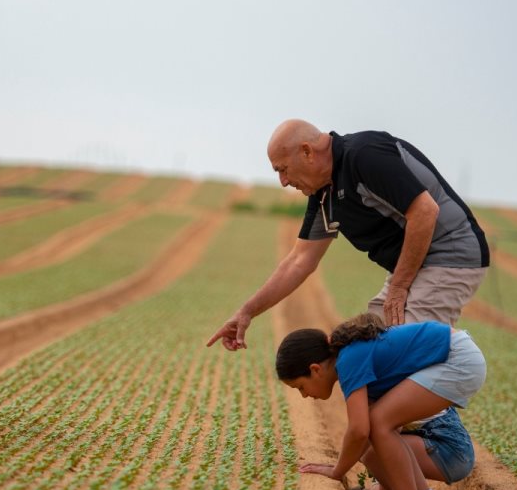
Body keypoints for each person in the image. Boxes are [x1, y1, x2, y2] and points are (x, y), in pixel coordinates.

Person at [209, 119, 489, 350]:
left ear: (307, 151)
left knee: (404, 352)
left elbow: (425, 212)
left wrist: (399, 288)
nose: (283, 181)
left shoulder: (363, 155)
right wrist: (247, 311)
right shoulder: (323, 193)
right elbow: (300, 261)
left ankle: (439, 416)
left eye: (282, 169)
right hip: (416, 264)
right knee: (369, 346)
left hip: (451, 253)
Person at [276, 312, 486, 490]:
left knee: (378, 422)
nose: (305, 395)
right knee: (378, 428)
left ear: (315, 369)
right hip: (460, 354)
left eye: (300, 387)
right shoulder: (351, 357)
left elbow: (359, 430)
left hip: (458, 358)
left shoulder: (349, 359)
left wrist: (337, 471)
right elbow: (378, 442)